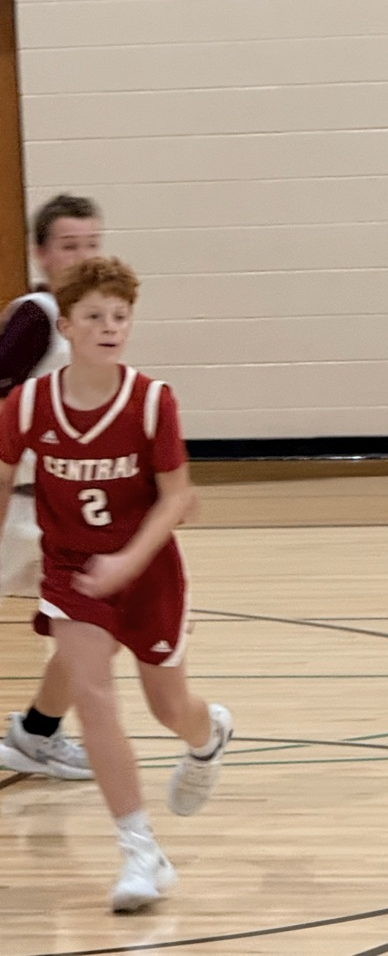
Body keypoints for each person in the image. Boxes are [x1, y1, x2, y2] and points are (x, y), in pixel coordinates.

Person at [0, 256, 232, 912]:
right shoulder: (30, 404)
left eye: (120, 317)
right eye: (95, 317)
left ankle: (208, 735)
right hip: (72, 574)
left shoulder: (151, 401)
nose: (109, 327)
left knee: (170, 710)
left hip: (148, 574)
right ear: (66, 326)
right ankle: (139, 850)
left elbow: (177, 497)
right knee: (95, 698)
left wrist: (128, 563)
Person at [0, 193, 104, 780]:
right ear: (42, 254)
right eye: (70, 247)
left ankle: (38, 733)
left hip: (57, 511)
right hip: (13, 507)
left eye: (92, 244)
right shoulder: (38, 314)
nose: (84, 256)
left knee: (87, 623)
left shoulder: (90, 321)